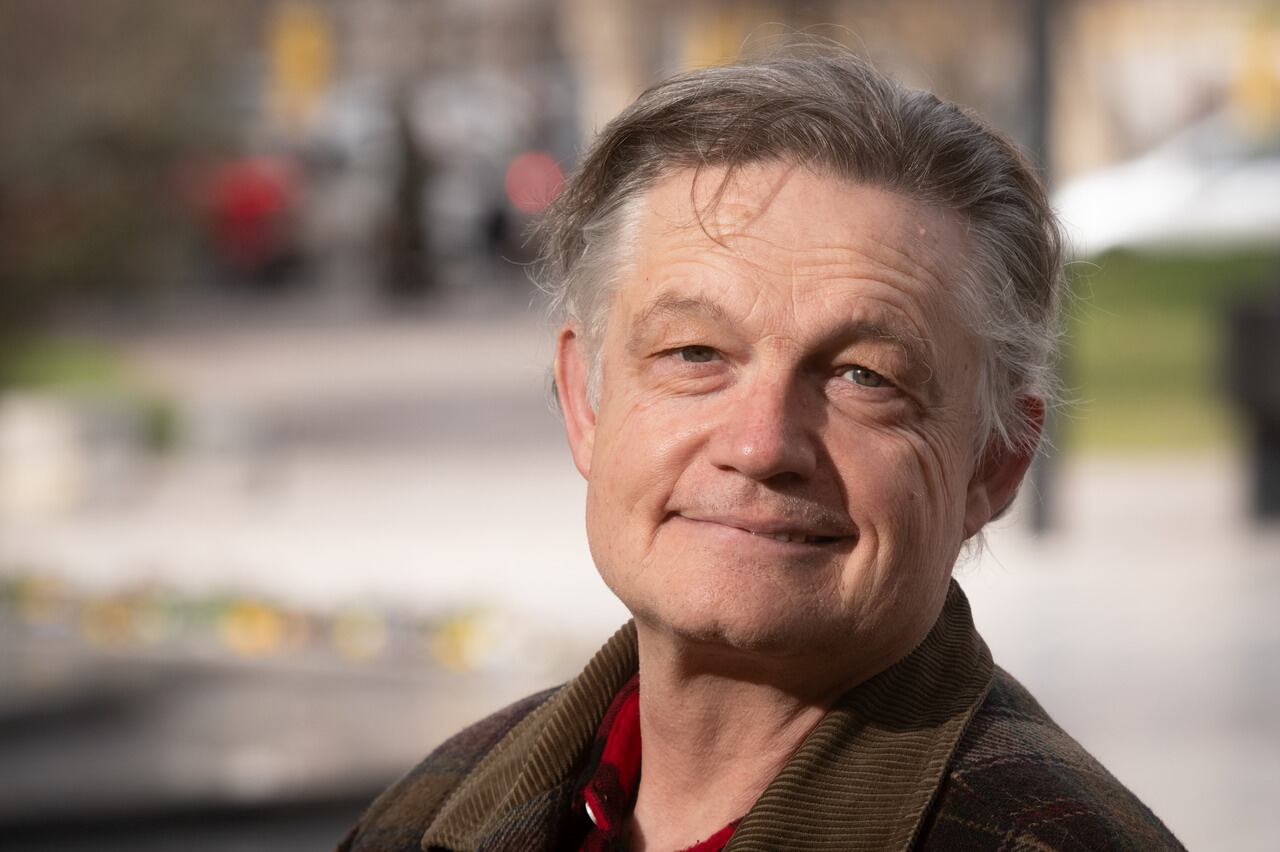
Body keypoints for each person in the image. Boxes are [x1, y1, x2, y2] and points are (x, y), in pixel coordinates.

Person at [338, 53, 1184, 852]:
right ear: (586, 401)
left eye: (864, 376)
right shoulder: (428, 811)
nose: (760, 444)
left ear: (994, 462)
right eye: (695, 354)